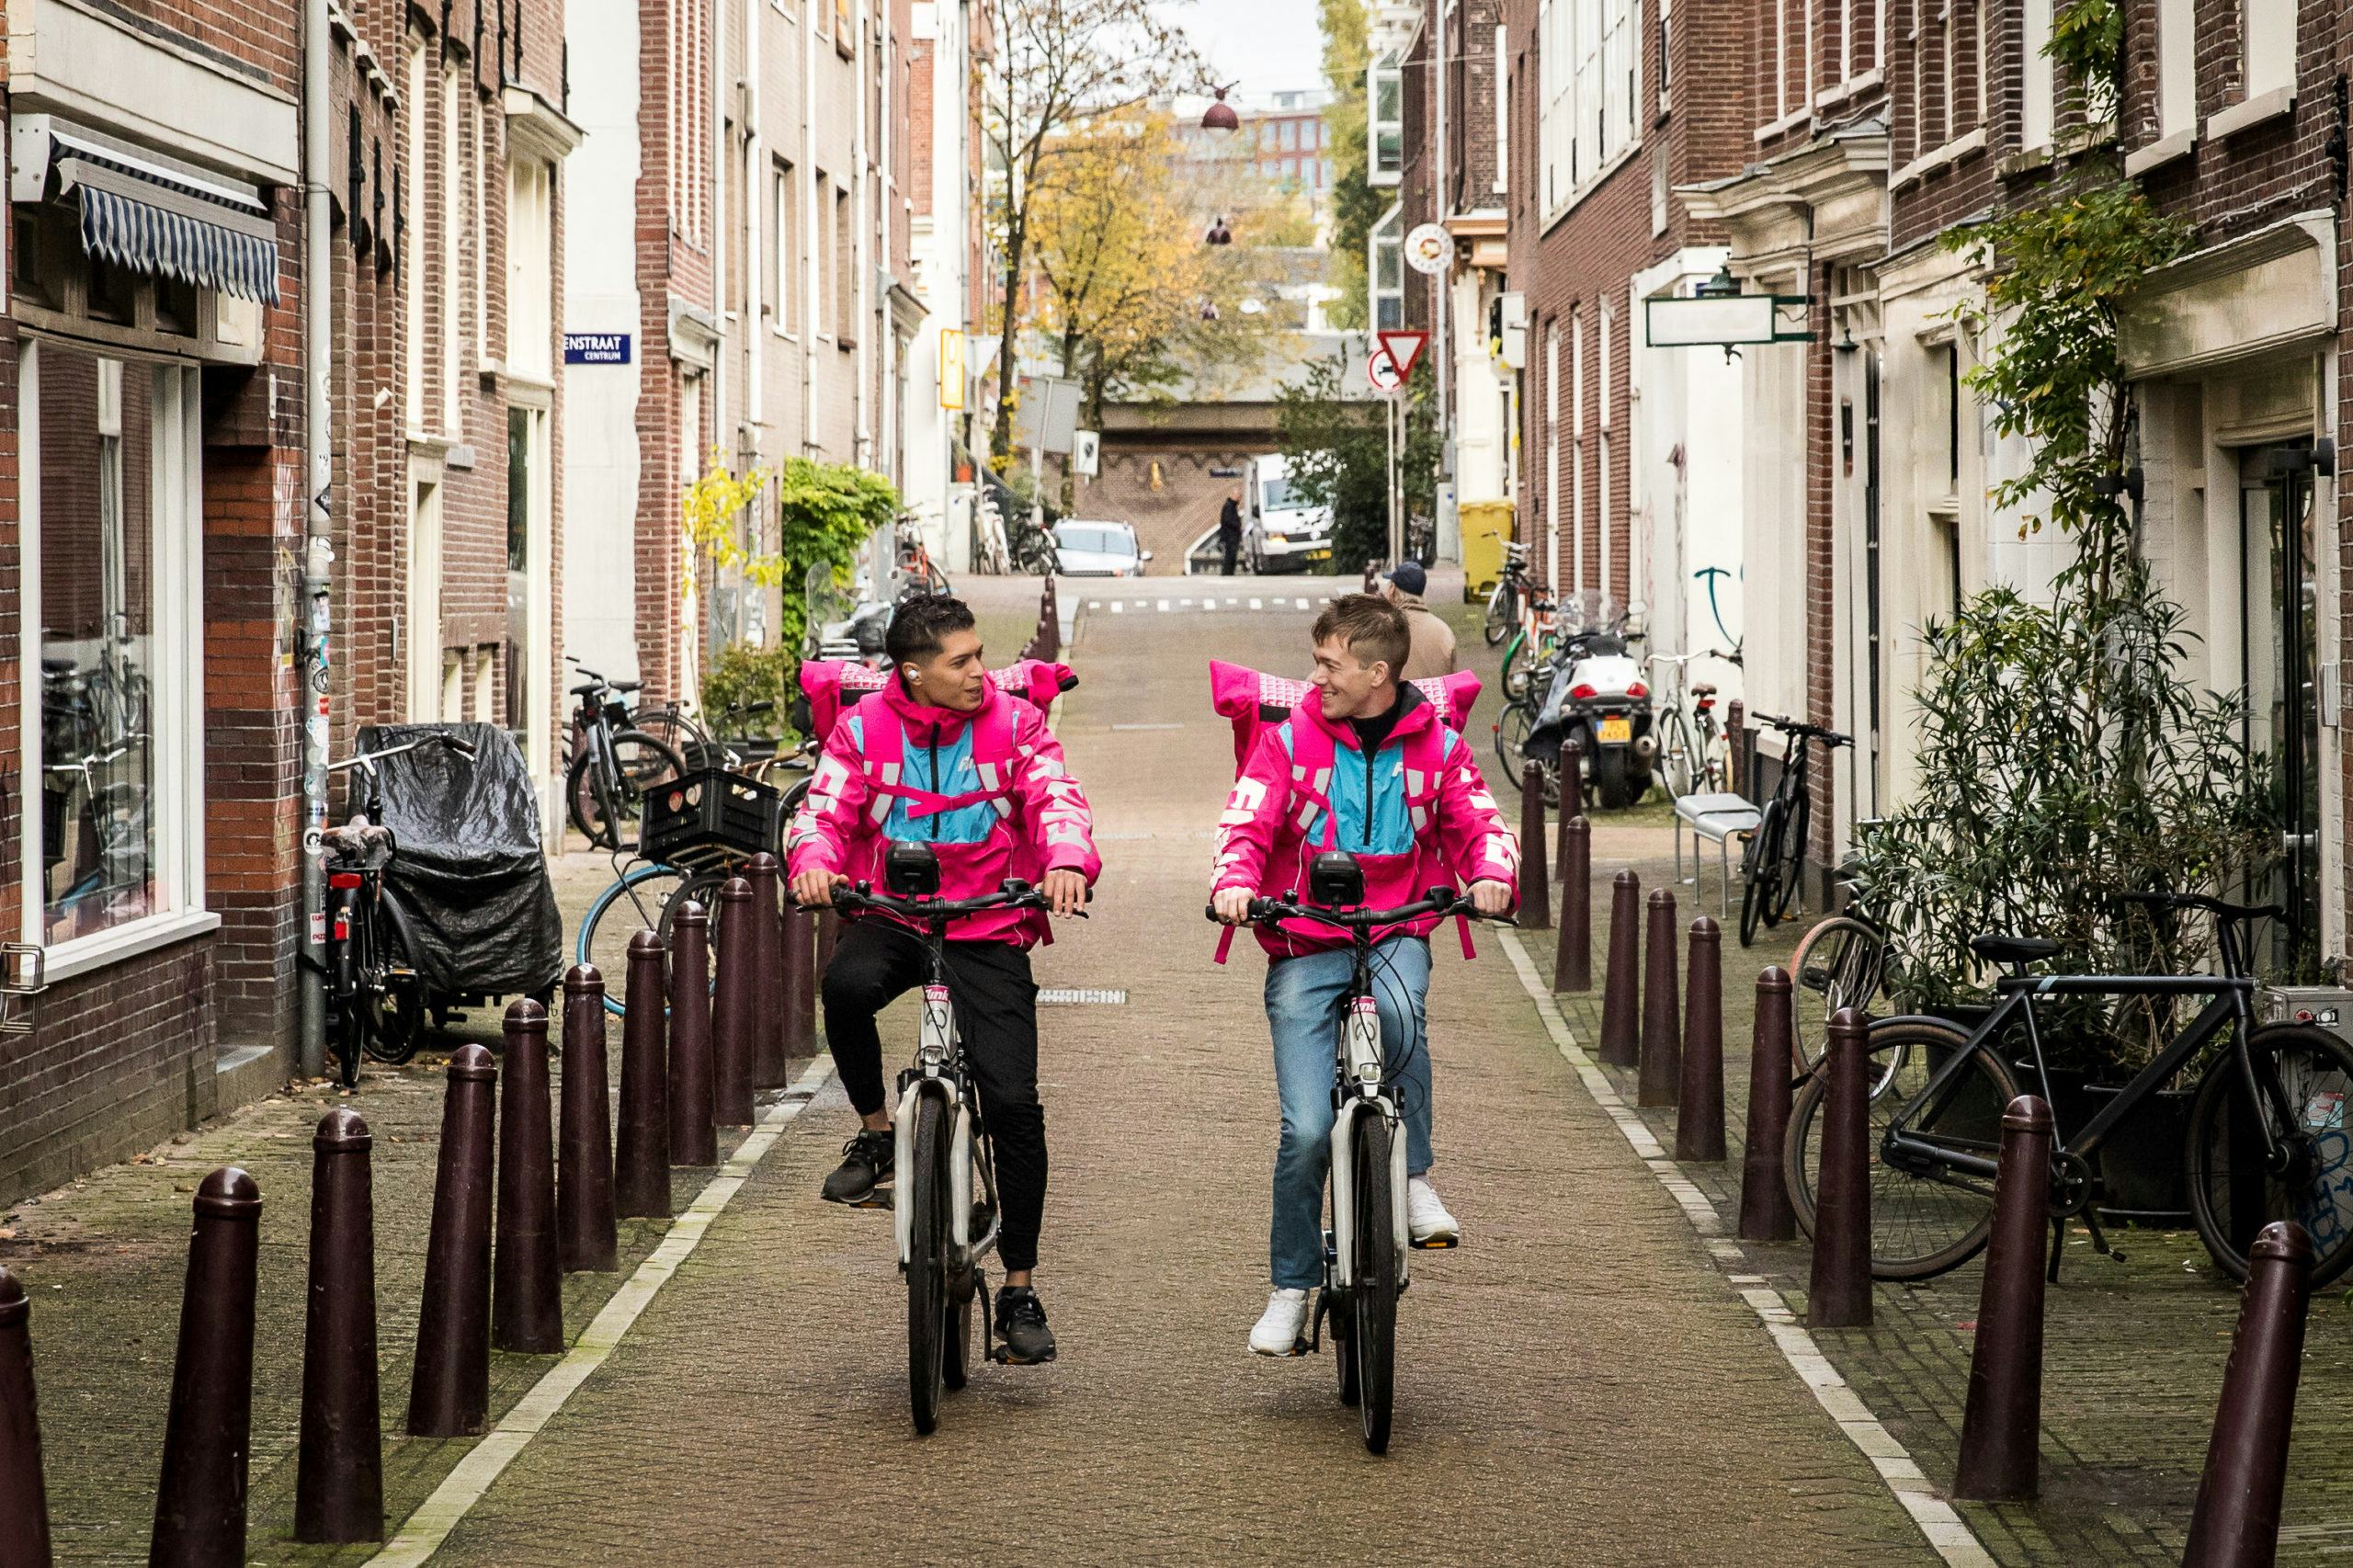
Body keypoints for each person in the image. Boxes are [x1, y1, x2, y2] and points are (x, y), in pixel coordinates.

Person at [786, 595, 1100, 1365]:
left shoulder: (1017, 724)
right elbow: (822, 808)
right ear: (913, 673)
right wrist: (816, 862)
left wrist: (1065, 859)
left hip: (988, 923)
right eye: (960, 662)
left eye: (980, 655)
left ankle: (1020, 1287)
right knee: (845, 988)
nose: (978, 674)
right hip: (894, 917)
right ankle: (876, 1135)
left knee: (1016, 1105)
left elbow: (1056, 797)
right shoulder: (861, 731)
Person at [1210, 595, 1518, 1357]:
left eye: (1329, 663)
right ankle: (1289, 1286)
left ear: (1378, 673)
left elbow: (1480, 819)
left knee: (1404, 1016)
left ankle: (1411, 1178)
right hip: (1305, 942)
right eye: (1316, 662)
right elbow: (1245, 822)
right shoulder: (1286, 743)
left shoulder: (1438, 747)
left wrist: (1491, 875)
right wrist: (1233, 881)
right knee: (1307, 1129)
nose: (1315, 677)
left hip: (1396, 928)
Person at [1382, 560, 1459, 679]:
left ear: (1392, 589)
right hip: (1434, 697)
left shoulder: (1386, 628)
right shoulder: (1444, 631)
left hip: (1398, 698)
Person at [1218, 487, 1244, 576]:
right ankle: (1227, 573)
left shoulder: (1232, 506)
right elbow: (1228, 520)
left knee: (1232, 556)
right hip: (1230, 536)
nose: (1239, 498)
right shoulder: (1229, 506)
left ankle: (1229, 573)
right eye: (1238, 496)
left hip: (1232, 536)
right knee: (1230, 556)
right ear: (1233, 495)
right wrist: (1238, 526)